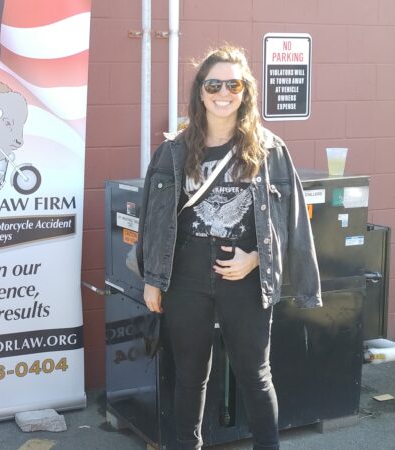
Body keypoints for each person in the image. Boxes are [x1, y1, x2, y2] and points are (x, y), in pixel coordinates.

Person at [135, 46, 321, 450]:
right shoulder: (172, 151)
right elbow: (152, 219)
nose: (223, 92)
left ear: (245, 91)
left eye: (233, 84)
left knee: (255, 375)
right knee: (189, 376)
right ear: (201, 92)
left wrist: (256, 259)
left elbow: (290, 222)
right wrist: (152, 281)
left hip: (244, 278)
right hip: (184, 275)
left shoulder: (270, 150)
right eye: (213, 84)